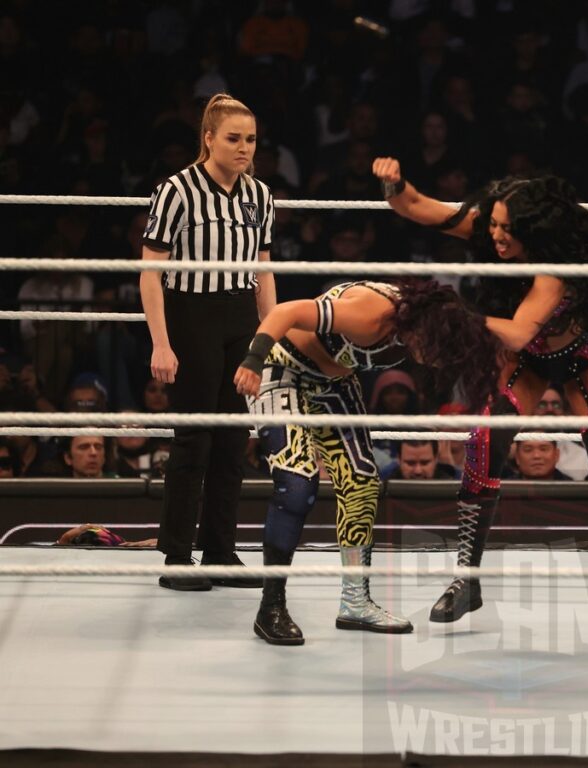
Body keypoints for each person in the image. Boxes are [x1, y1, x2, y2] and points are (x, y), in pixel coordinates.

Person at [372, 156, 588, 630]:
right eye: (492, 224)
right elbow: (419, 208)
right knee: (483, 444)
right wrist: (394, 183)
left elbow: (513, 332)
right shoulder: (495, 233)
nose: (495, 236)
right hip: (529, 358)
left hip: (580, 358)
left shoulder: (554, 269)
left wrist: (453, 313)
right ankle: (466, 580)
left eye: (506, 228)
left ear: (534, 228)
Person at [234, 279, 501, 645]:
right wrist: (253, 360)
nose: (436, 360)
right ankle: (271, 608)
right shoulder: (371, 313)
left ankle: (355, 602)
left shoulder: (423, 322)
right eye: (439, 349)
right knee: (297, 483)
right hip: (282, 370)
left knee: (361, 481)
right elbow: (286, 312)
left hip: (334, 384)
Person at [140, 94, 277, 592]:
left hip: (240, 315)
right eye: (234, 139)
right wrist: (161, 341)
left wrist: (269, 339)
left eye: (251, 139)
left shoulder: (259, 195)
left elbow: (263, 271)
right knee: (193, 438)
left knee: (232, 440)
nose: (244, 148)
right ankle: (177, 556)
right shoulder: (176, 190)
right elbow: (150, 272)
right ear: (209, 138)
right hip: (190, 314)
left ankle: (220, 551)